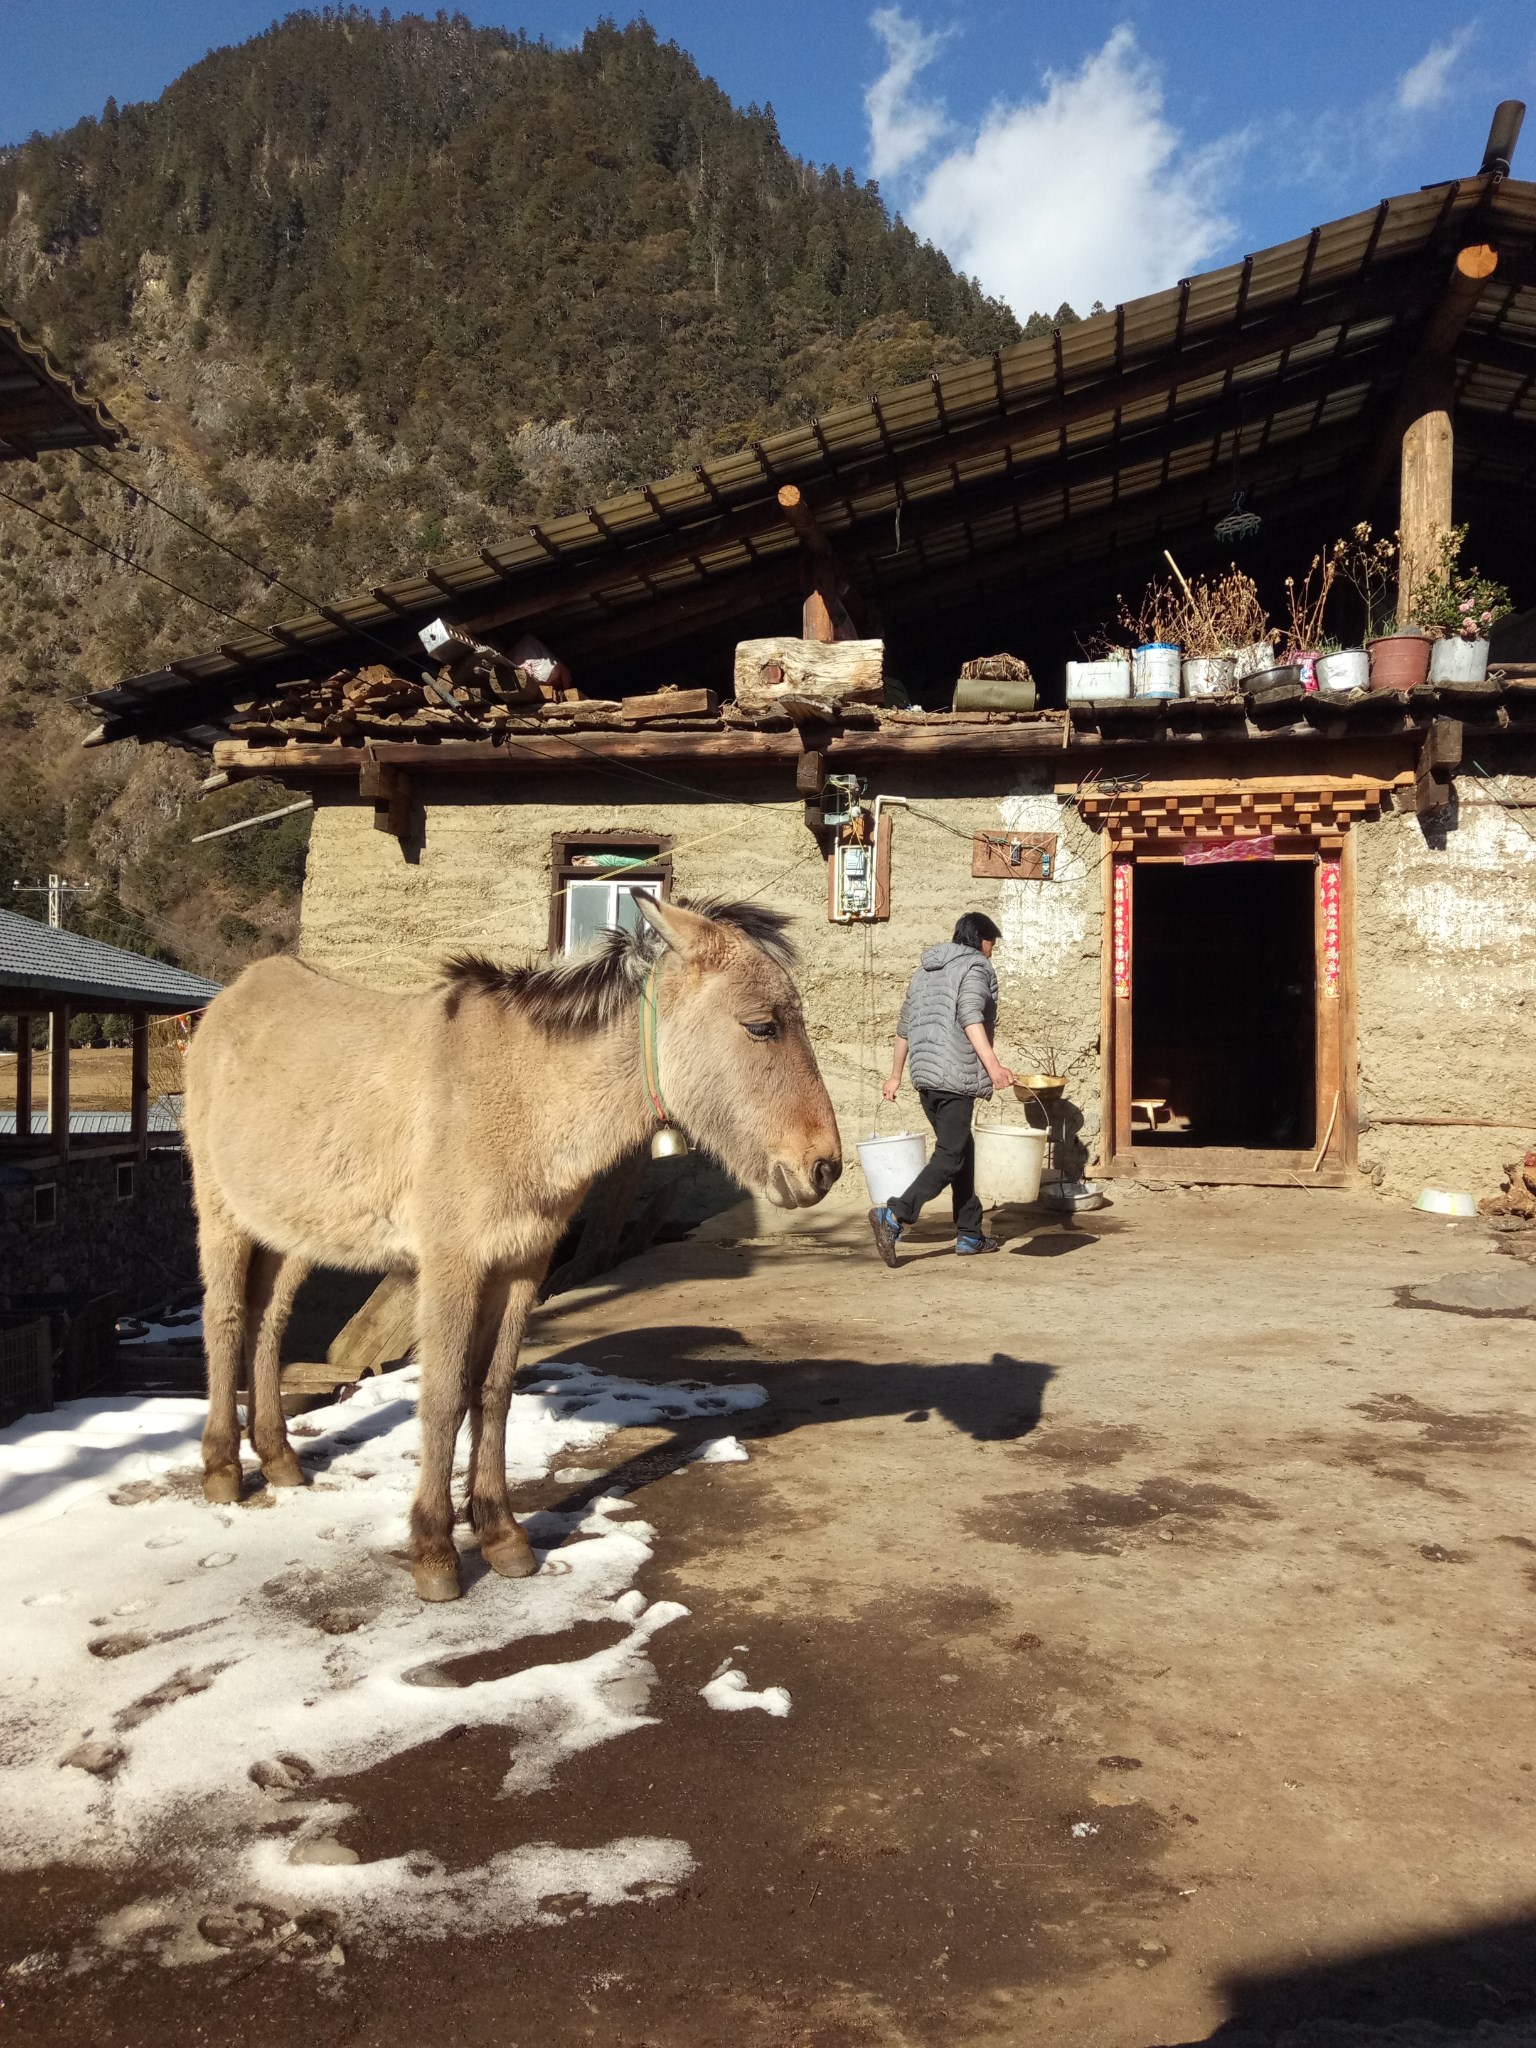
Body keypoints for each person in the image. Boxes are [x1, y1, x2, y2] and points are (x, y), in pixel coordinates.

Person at [868, 911, 1015, 1265]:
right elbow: (970, 1015)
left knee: (961, 1151)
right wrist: (994, 1066)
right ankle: (895, 1215)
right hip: (954, 1078)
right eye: (991, 944)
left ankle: (970, 1234)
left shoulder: (924, 972)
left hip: (925, 1077)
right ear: (982, 940)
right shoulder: (976, 967)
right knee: (950, 1157)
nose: (991, 952)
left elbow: (904, 1027)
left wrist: (895, 1075)